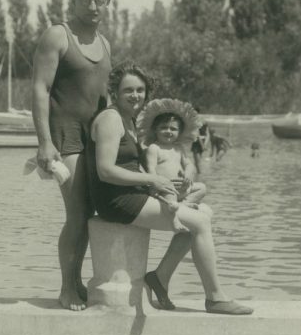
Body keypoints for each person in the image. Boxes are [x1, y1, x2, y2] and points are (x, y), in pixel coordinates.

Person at [86, 61, 253, 315]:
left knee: (204, 212)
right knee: (199, 223)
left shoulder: (128, 120)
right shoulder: (110, 119)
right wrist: (152, 180)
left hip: (132, 192)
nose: (135, 96)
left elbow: (135, 164)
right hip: (116, 198)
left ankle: (160, 277)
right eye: (128, 90)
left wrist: (170, 179)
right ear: (115, 92)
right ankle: (215, 297)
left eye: (140, 90)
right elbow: (105, 171)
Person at [32, 0, 112, 311]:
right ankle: (67, 288)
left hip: (93, 139)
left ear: (107, 3)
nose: (92, 7)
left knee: (90, 212)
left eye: (98, 0)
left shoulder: (105, 43)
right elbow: (39, 88)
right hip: (65, 138)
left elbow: (103, 98)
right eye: (85, 0)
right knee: (77, 213)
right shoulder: (57, 35)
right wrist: (44, 142)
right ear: (73, 1)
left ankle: (77, 281)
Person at [137, 99, 211, 230]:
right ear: (155, 130)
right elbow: (151, 169)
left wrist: (188, 173)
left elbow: (189, 164)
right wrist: (155, 185)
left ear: (180, 132)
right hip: (164, 189)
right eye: (163, 127)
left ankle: (185, 204)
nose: (168, 131)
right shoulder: (154, 148)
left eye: (173, 128)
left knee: (202, 188)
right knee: (170, 196)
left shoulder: (178, 148)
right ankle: (175, 220)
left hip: (181, 189)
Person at [190, 107, 209, 174]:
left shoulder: (194, 121)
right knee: (198, 161)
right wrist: (205, 144)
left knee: (197, 162)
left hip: (197, 141)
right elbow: (208, 134)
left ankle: (199, 176)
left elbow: (197, 134)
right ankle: (199, 175)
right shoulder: (204, 120)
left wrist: (202, 145)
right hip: (203, 140)